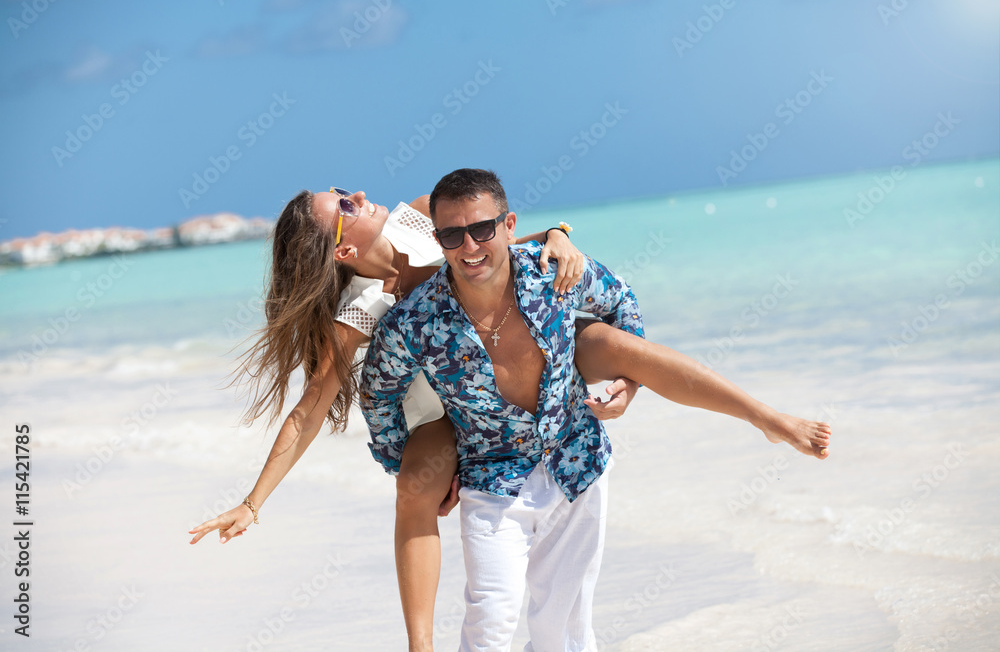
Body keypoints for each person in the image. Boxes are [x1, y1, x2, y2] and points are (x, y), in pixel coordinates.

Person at [190, 175, 831, 651]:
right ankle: (421, 644)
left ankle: (766, 419)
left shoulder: (418, 218)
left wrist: (557, 236)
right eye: (346, 209)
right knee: (417, 481)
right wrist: (254, 502)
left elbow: (492, 242)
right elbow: (310, 409)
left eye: (345, 190)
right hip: (441, 398)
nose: (359, 196)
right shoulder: (361, 311)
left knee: (610, 345)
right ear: (342, 253)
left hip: (516, 352)